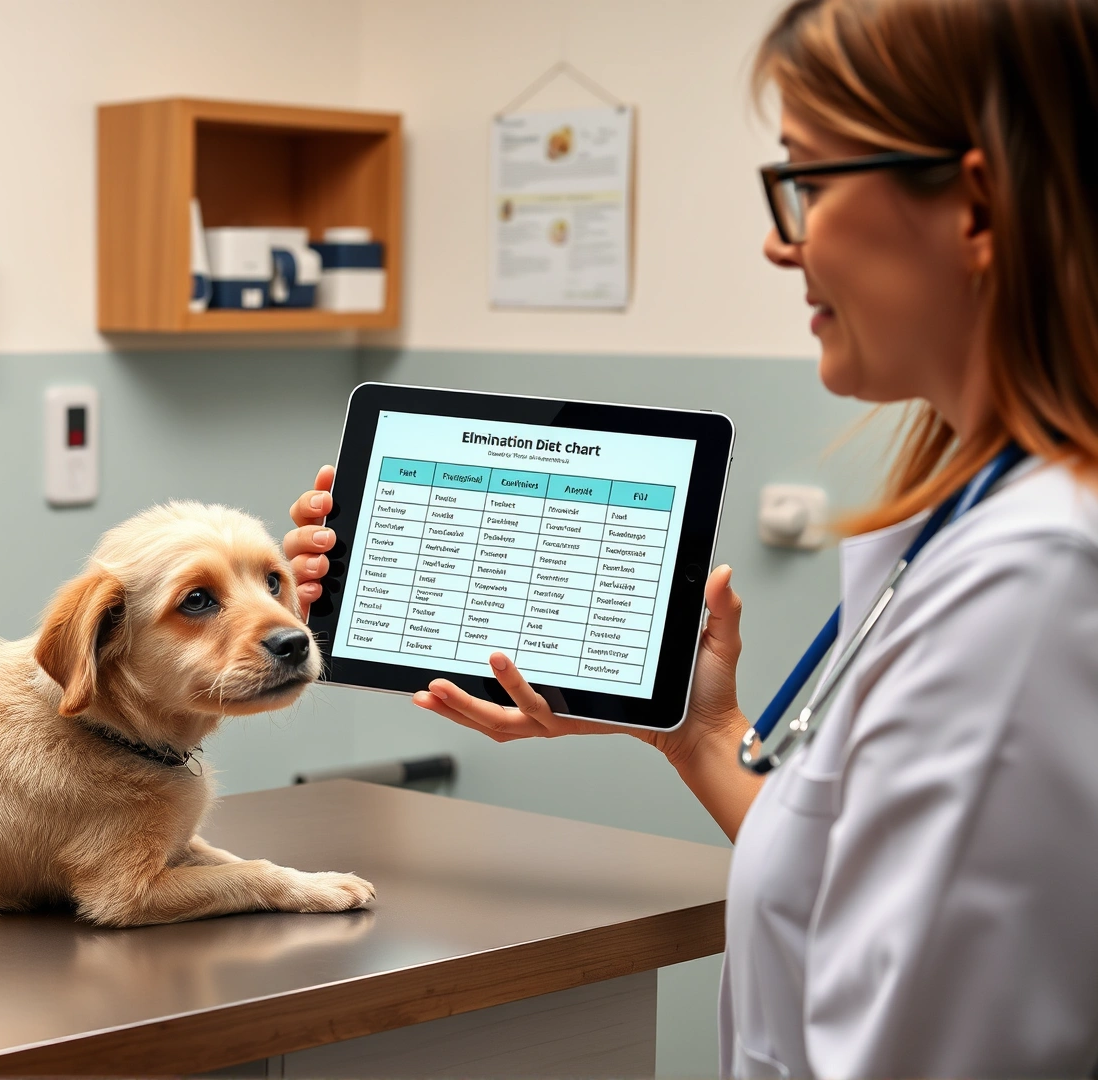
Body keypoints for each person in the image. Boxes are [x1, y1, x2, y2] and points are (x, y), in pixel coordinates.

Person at [287, 0, 1098, 1075]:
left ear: (977, 204)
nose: (780, 239)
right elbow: (846, 884)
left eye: (807, 181)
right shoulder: (988, 522)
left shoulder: (1033, 581)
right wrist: (696, 728)